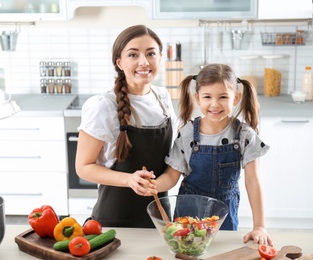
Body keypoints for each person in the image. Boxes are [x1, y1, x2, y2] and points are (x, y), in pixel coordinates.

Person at [148, 63, 273, 245]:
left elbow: (253, 181)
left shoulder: (245, 135)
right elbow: (171, 176)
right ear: (198, 98)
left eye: (223, 97)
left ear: (236, 98)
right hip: (188, 211)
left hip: (223, 215)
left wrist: (260, 226)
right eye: (207, 97)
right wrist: (153, 185)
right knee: (186, 252)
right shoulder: (188, 133)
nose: (214, 104)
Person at [75, 24, 178, 228]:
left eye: (151, 53)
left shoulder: (163, 98)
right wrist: (129, 180)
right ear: (119, 62)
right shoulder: (104, 106)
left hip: (159, 218)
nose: (143, 62)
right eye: (133, 55)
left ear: (160, 58)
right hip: (115, 220)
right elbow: (83, 167)